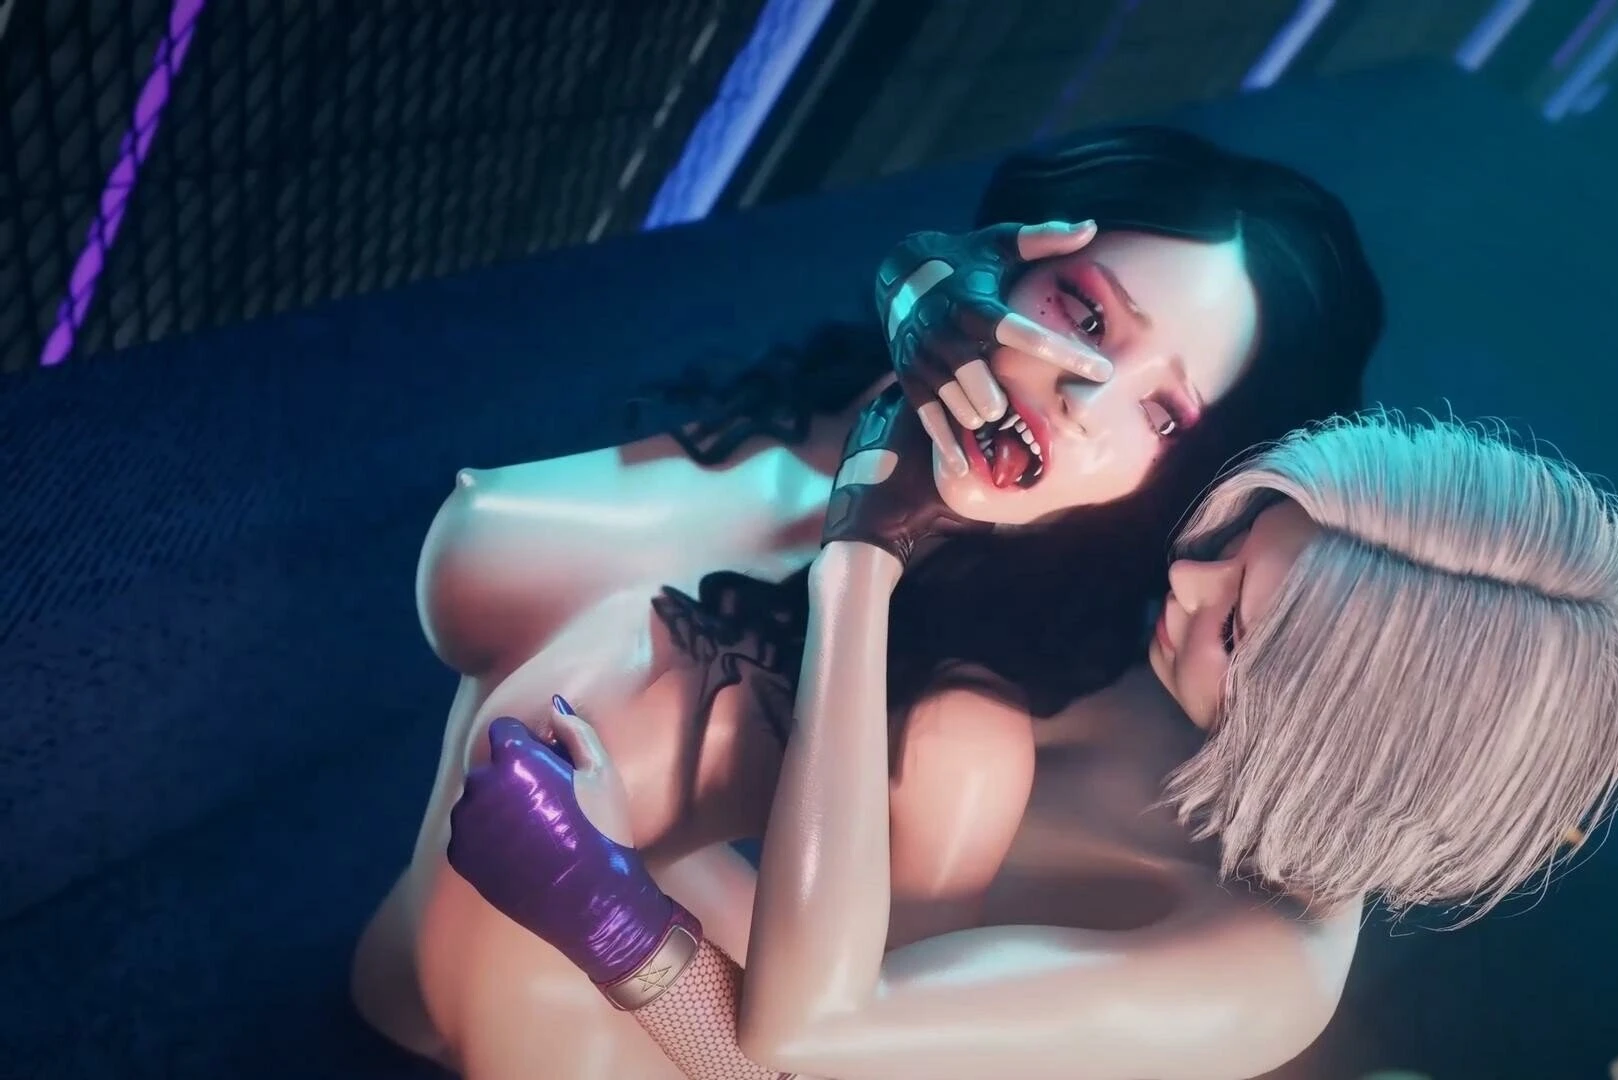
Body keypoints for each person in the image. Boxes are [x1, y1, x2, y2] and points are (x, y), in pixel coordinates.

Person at [350, 124, 1386, 1075]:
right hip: (436, 990)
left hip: (676, 1036)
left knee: (614, 706)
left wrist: (611, 912)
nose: (1082, 399)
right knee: (606, 681)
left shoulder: (983, 748)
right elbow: (480, 561)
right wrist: (893, 360)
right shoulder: (964, 533)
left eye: (1161, 415)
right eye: (1083, 313)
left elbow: (825, 1057)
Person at [450, 409, 1618, 1080]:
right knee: (586, 676)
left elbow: (803, 1051)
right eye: (1232, 545)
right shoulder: (1167, 666)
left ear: (1338, 745)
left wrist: (609, 907)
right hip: (769, 919)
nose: (1185, 581)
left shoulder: (1255, 971)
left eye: (1236, 627)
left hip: (750, 1046)